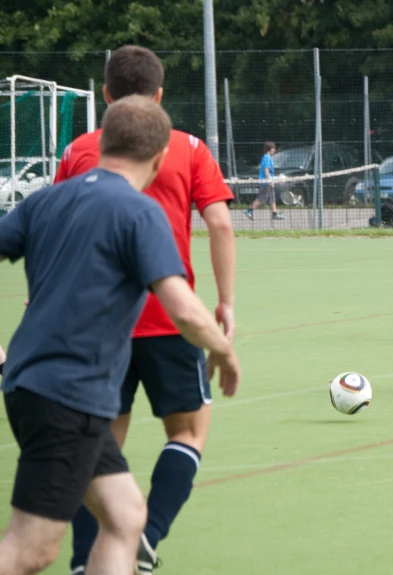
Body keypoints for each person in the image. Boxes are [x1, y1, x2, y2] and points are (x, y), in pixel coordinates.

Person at [0, 96, 240, 575]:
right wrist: (223, 349)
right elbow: (183, 309)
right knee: (30, 550)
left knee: (126, 517)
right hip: (68, 396)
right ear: (159, 158)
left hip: (33, 385)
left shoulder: (46, 200)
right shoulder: (138, 211)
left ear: (102, 143)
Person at [243, 141, 284, 221]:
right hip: (266, 182)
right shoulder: (266, 158)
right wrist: (269, 181)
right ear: (270, 149)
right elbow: (266, 170)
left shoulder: (268, 158)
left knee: (272, 198)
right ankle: (249, 210)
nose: (274, 150)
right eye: (274, 148)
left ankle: (274, 214)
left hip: (269, 181)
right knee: (261, 198)